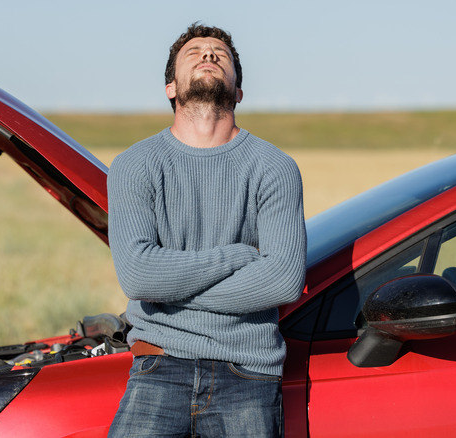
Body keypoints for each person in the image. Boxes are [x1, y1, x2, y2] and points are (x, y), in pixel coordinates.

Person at [107, 23, 307, 437]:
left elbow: (283, 280)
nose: (209, 55)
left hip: (249, 374)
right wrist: (237, 256)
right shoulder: (134, 164)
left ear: (238, 92)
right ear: (170, 88)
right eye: (194, 52)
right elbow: (139, 276)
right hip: (158, 365)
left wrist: (169, 292)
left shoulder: (275, 167)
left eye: (220, 53)